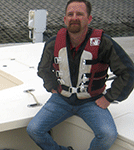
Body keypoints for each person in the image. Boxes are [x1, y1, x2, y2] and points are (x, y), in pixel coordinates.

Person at [26, 0, 134, 149]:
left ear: (89, 19)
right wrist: (51, 87)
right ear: (65, 19)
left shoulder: (103, 43)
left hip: (92, 101)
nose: (74, 18)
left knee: (108, 135)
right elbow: (43, 69)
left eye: (80, 14)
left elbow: (128, 72)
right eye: (70, 14)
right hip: (61, 100)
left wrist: (109, 97)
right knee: (34, 130)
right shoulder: (53, 43)